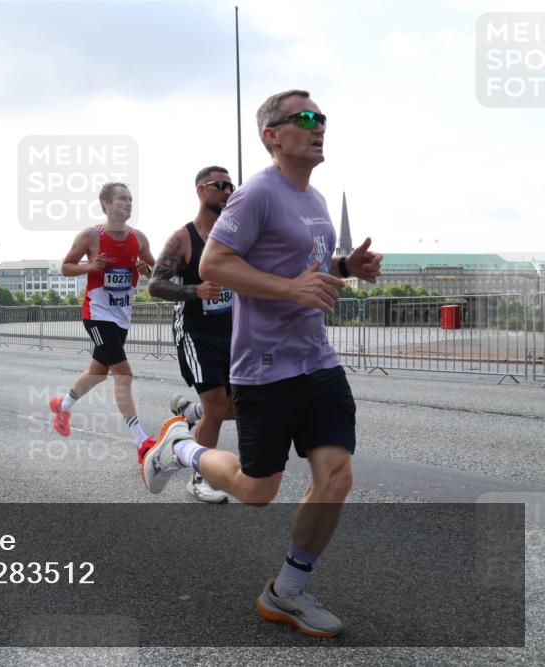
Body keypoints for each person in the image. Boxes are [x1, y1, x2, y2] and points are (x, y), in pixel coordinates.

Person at [141, 90, 383, 638]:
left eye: (321, 117)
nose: (318, 125)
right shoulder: (254, 196)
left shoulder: (315, 200)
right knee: (257, 491)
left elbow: (308, 266)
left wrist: (348, 264)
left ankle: (287, 592)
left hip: (317, 362)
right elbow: (215, 263)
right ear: (272, 134)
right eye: (305, 118)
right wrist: (290, 290)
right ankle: (179, 447)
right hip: (264, 369)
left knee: (337, 477)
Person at [48, 183, 156, 461]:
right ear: (106, 204)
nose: (128, 203)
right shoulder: (91, 236)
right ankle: (141, 441)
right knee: (124, 373)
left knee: (98, 372)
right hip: (96, 316)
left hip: (121, 317)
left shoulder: (139, 238)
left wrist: (146, 268)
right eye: (122, 199)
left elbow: (154, 269)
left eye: (131, 199)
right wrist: (90, 266)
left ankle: (63, 404)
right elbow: (65, 267)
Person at [147, 166, 236, 504]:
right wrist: (196, 291)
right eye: (220, 185)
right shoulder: (183, 238)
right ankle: (201, 478)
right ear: (201, 190)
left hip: (232, 332)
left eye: (231, 186)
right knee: (216, 407)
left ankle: (188, 415)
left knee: (237, 409)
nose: (227, 191)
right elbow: (155, 285)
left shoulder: (235, 236)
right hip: (196, 333)